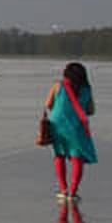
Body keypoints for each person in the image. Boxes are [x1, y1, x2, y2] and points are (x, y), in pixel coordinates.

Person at [44, 60, 96, 202]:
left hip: (57, 126)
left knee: (59, 156)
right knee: (76, 158)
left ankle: (63, 189)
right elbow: (91, 111)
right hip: (77, 127)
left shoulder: (57, 86)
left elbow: (48, 104)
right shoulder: (86, 89)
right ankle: (72, 192)